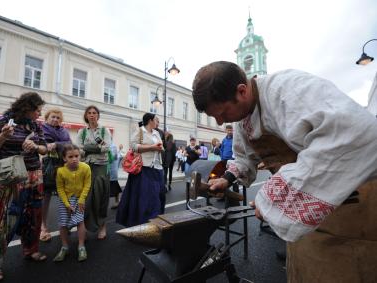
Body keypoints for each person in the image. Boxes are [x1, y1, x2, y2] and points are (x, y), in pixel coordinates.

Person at [192, 61, 377, 283]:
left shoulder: (289, 90)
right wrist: (226, 179)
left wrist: (274, 199)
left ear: (241, 91)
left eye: (222, 113)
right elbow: (244, 158)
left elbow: (357, 135)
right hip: (303, 221)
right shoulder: (243, 119)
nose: (220, 122)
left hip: (350, 205)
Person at [0, 92, 48, 282]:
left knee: (33, 216)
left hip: (35, 175)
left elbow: (44, 148)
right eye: (37, 110)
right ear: (26, 107)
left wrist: (35, 147)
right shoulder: (1, 122)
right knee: (5, 219)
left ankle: (31, 249)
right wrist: (3, 136)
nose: (39, 114)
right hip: (11, 177)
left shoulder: (35, 125)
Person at [116, 113, 165, 227]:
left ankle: (155, 221)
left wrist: (160, 148)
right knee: (144, 196)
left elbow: (161, 147)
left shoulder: (156, 132)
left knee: (158, 195)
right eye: (156, 120)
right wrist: (152, 147)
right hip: (143, 168)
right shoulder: (140, 131)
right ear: (150, 121)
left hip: (157, 167)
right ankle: (142, 222)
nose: (157, 122)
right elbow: (133, 146)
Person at [77, 105, 111, 240]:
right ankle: (84, 227)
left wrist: (87, 148)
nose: (92, 115)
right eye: (89, 113)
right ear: (86, 116)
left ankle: (102, 225)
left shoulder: (104, 131)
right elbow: (78, 150)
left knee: (101, 197)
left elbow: (106, 148)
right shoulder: (82, 132)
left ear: (98, 115)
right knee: (86, 198)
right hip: (86, 167)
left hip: (101, 166)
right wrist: (95, 148)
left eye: (94, 113)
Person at [53, 144, 91, 262]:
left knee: (80, 221)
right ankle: (64, 247)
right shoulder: (60, 171)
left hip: (80, 199)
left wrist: (81, 200)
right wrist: (67, 204)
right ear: (64, 158)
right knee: (63, 223)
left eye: (76, 156)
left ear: (80, 156)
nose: (74, 159)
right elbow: (60, 188)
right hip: (65, 200)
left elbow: (87, 184)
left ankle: (81, 246)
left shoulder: (85, 168)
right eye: (70, 157)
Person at [40, 107, 71, 242]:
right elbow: (43, 145)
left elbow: (69, 144)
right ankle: (43, 227)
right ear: (47, 118)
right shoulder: (42, 129)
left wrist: (56, 143)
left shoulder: (63, 130)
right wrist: (59, 145)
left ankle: (65, 225)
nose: (55, 119)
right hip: (48, 166)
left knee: (64, 196)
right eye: (53, 117)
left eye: (58, 118)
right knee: (45, 197)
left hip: (62, 165)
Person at [109, 141, 122, 209]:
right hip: (109, 172)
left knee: (114, 187)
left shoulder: (112, 145)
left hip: (112, 172)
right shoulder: (110, 145)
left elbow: (114, 156)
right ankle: (117, 201)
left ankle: (117, 201)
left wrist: (119, 150)